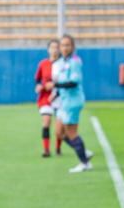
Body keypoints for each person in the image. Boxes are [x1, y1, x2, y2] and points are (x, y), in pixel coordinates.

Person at [47, 35, 93, 173]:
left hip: (73, 102)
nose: (65, 48)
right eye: (62, 45)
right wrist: (55, 94)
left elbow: (73, 82)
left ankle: (84, 163)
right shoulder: (62, 62)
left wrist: (55, 84)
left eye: (68, 45)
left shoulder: (75, 62)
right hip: (64, 101)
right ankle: (84, 152)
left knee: (71, 133)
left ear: (72, 47)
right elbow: (63, 83)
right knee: (59, 133)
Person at [34, 40, 61, 157]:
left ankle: (58, 148)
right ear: (48, 49)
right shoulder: (43, 63)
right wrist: (39, 86)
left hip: (60, 97)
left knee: (60, 128)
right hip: (46, 97)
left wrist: (54, 86)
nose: (54, 50)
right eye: (52, 47)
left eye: (56, 47)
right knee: (46, 121)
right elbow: (37, 79)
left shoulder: (62, 64)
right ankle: (46, 150)